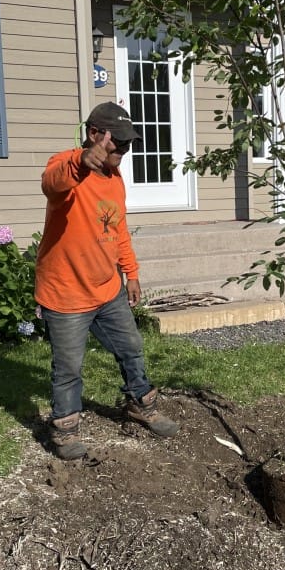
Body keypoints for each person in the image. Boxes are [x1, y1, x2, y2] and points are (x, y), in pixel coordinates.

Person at [34, 102, 180, 460]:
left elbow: (118, 230)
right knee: (68, 368)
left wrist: (131, 273)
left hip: (107, 288)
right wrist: (80, 163)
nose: (124, 151)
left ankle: (140, 403)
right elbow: (51, 184)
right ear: (94, 134)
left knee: (131, 347)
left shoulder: (115, 180)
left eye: (129, 145)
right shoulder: (65, 164)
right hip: (65, 293)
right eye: (118, 144)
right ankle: (65, 430)